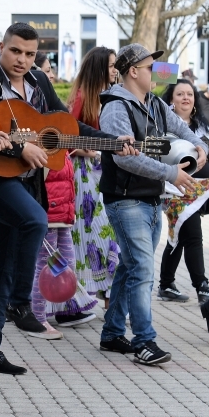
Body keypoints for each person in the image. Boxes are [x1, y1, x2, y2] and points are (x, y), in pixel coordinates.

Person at [0, 23, 132, 374]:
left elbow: (67, 124)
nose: (22, 60)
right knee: (36, 220)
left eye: (30, 54)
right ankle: (22, 303)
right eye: (15, 51)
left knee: (3, 264)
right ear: (1, 45)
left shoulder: (38, 81)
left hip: (24, 183)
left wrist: (113, 142)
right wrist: (22, 147)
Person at [98, 44, 208, 366]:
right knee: (143, 270)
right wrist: (170, 173)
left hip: (150, 199)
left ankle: (112, 334)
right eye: (150, 67)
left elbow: (182, 128)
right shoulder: (116, 107)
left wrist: (199, 146)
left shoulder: (155, 104)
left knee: (130, 266)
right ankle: (145, 341)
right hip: (125, 201)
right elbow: (125, 158)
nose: (156, 73)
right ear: (133, 71)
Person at [158, 79, 209, 304]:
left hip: (202, 192)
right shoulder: (162, 127)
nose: (186, 98)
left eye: (189, 94)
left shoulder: (203, 126)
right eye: (180, 94)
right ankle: (202, 286)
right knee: (193, 235)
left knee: (179, 237)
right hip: (175, 191)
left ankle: (166, 284)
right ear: (171, 100)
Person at [67, 46, 120, 311]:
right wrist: (88, 149)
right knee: (97, 231)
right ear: (100, 67)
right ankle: (92, 294)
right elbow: (63, 138)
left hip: (102, 171)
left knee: (107, 232)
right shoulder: (82, 96)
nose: (115, 70)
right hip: (83, 174)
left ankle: (110, 297)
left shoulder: (110, 97)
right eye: (111, 65)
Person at [29, 154, 97, 339]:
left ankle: (63, 309)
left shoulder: (64, 148)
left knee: (67, 264)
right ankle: (38, 318)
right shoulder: (43, 148)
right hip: (48, 216)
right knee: (44, 269)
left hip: (64, 217)